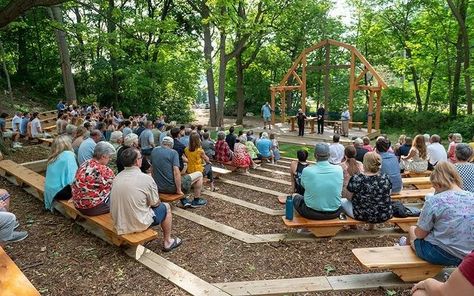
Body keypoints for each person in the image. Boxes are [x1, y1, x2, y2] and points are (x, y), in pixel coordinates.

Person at [403, 161, 474, 266]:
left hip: (441, 253)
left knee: (412, 230)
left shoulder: (435, 200)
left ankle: (403, 249)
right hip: (469, 255)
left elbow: (420, 234)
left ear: (437, 183)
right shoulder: (472, 197)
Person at [110, 148, 181, 252]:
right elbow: (155, 203)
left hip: (118, 222)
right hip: (136, 223)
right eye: (140, 157)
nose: (142, 159)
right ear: (137, 161)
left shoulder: (117, 177)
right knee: (166, 207)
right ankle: (168, 241)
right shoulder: (146, 179)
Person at [151, 136, 206, 208]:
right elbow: (176, 172)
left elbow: (152, 169)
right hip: (171, 188)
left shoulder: (154, 151)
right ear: (172, 145)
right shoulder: (173, 153)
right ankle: (196, 200)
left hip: (158, 187)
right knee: (199, 174)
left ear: (162, 143)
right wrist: (179, 190)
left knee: (181, 176)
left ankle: (184, 200)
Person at [293, 143, 343, 220]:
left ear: (315, 155)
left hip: (312, 212)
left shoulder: (307, 170)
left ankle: (302, 227)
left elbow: (302, 185)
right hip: (335, 211)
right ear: (329, 155)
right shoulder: (339, 169)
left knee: (294, 197)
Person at [343, 152, 393, 225]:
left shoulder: (357, 178)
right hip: (384, 213)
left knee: (342, 201)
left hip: (362, 215)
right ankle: (370, 226)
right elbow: (388, 194)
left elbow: (348, 197)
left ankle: (352, 227)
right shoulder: (386, 177)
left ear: (365, 163)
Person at [72, 142, 116, 216]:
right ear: (103, 156)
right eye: (109, 157)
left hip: (78, 204)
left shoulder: (85, 163)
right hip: (92, 209)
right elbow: (116, 186)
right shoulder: (105, 170)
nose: (110, 159)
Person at [44, 135, 78, 211]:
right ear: (67, 144)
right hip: (61, 192)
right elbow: (72, 178)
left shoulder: (53, 157)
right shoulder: (69, 155)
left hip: (50, 190)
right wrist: (75, 196)